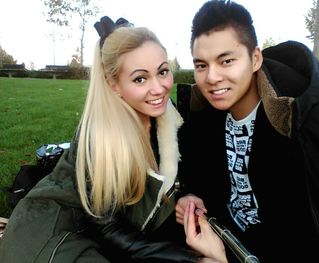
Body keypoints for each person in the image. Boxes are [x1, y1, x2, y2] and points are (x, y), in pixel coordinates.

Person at [0, 16, 222, 263]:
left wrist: (185, 198)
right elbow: (109, 230)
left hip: (100, 232)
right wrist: (194, 261)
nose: (159, 88)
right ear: (114, 85)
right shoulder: (99, 136)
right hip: (51, 235)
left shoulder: (164, 119)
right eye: (140, 78)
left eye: (162, 71)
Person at [175, 0, 319, 262]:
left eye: (226, 61)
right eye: (201, 65)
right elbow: (201, 182)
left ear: (255, 58)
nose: (211, 77)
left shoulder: (315, 123)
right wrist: (190, 198)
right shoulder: (203, 121)